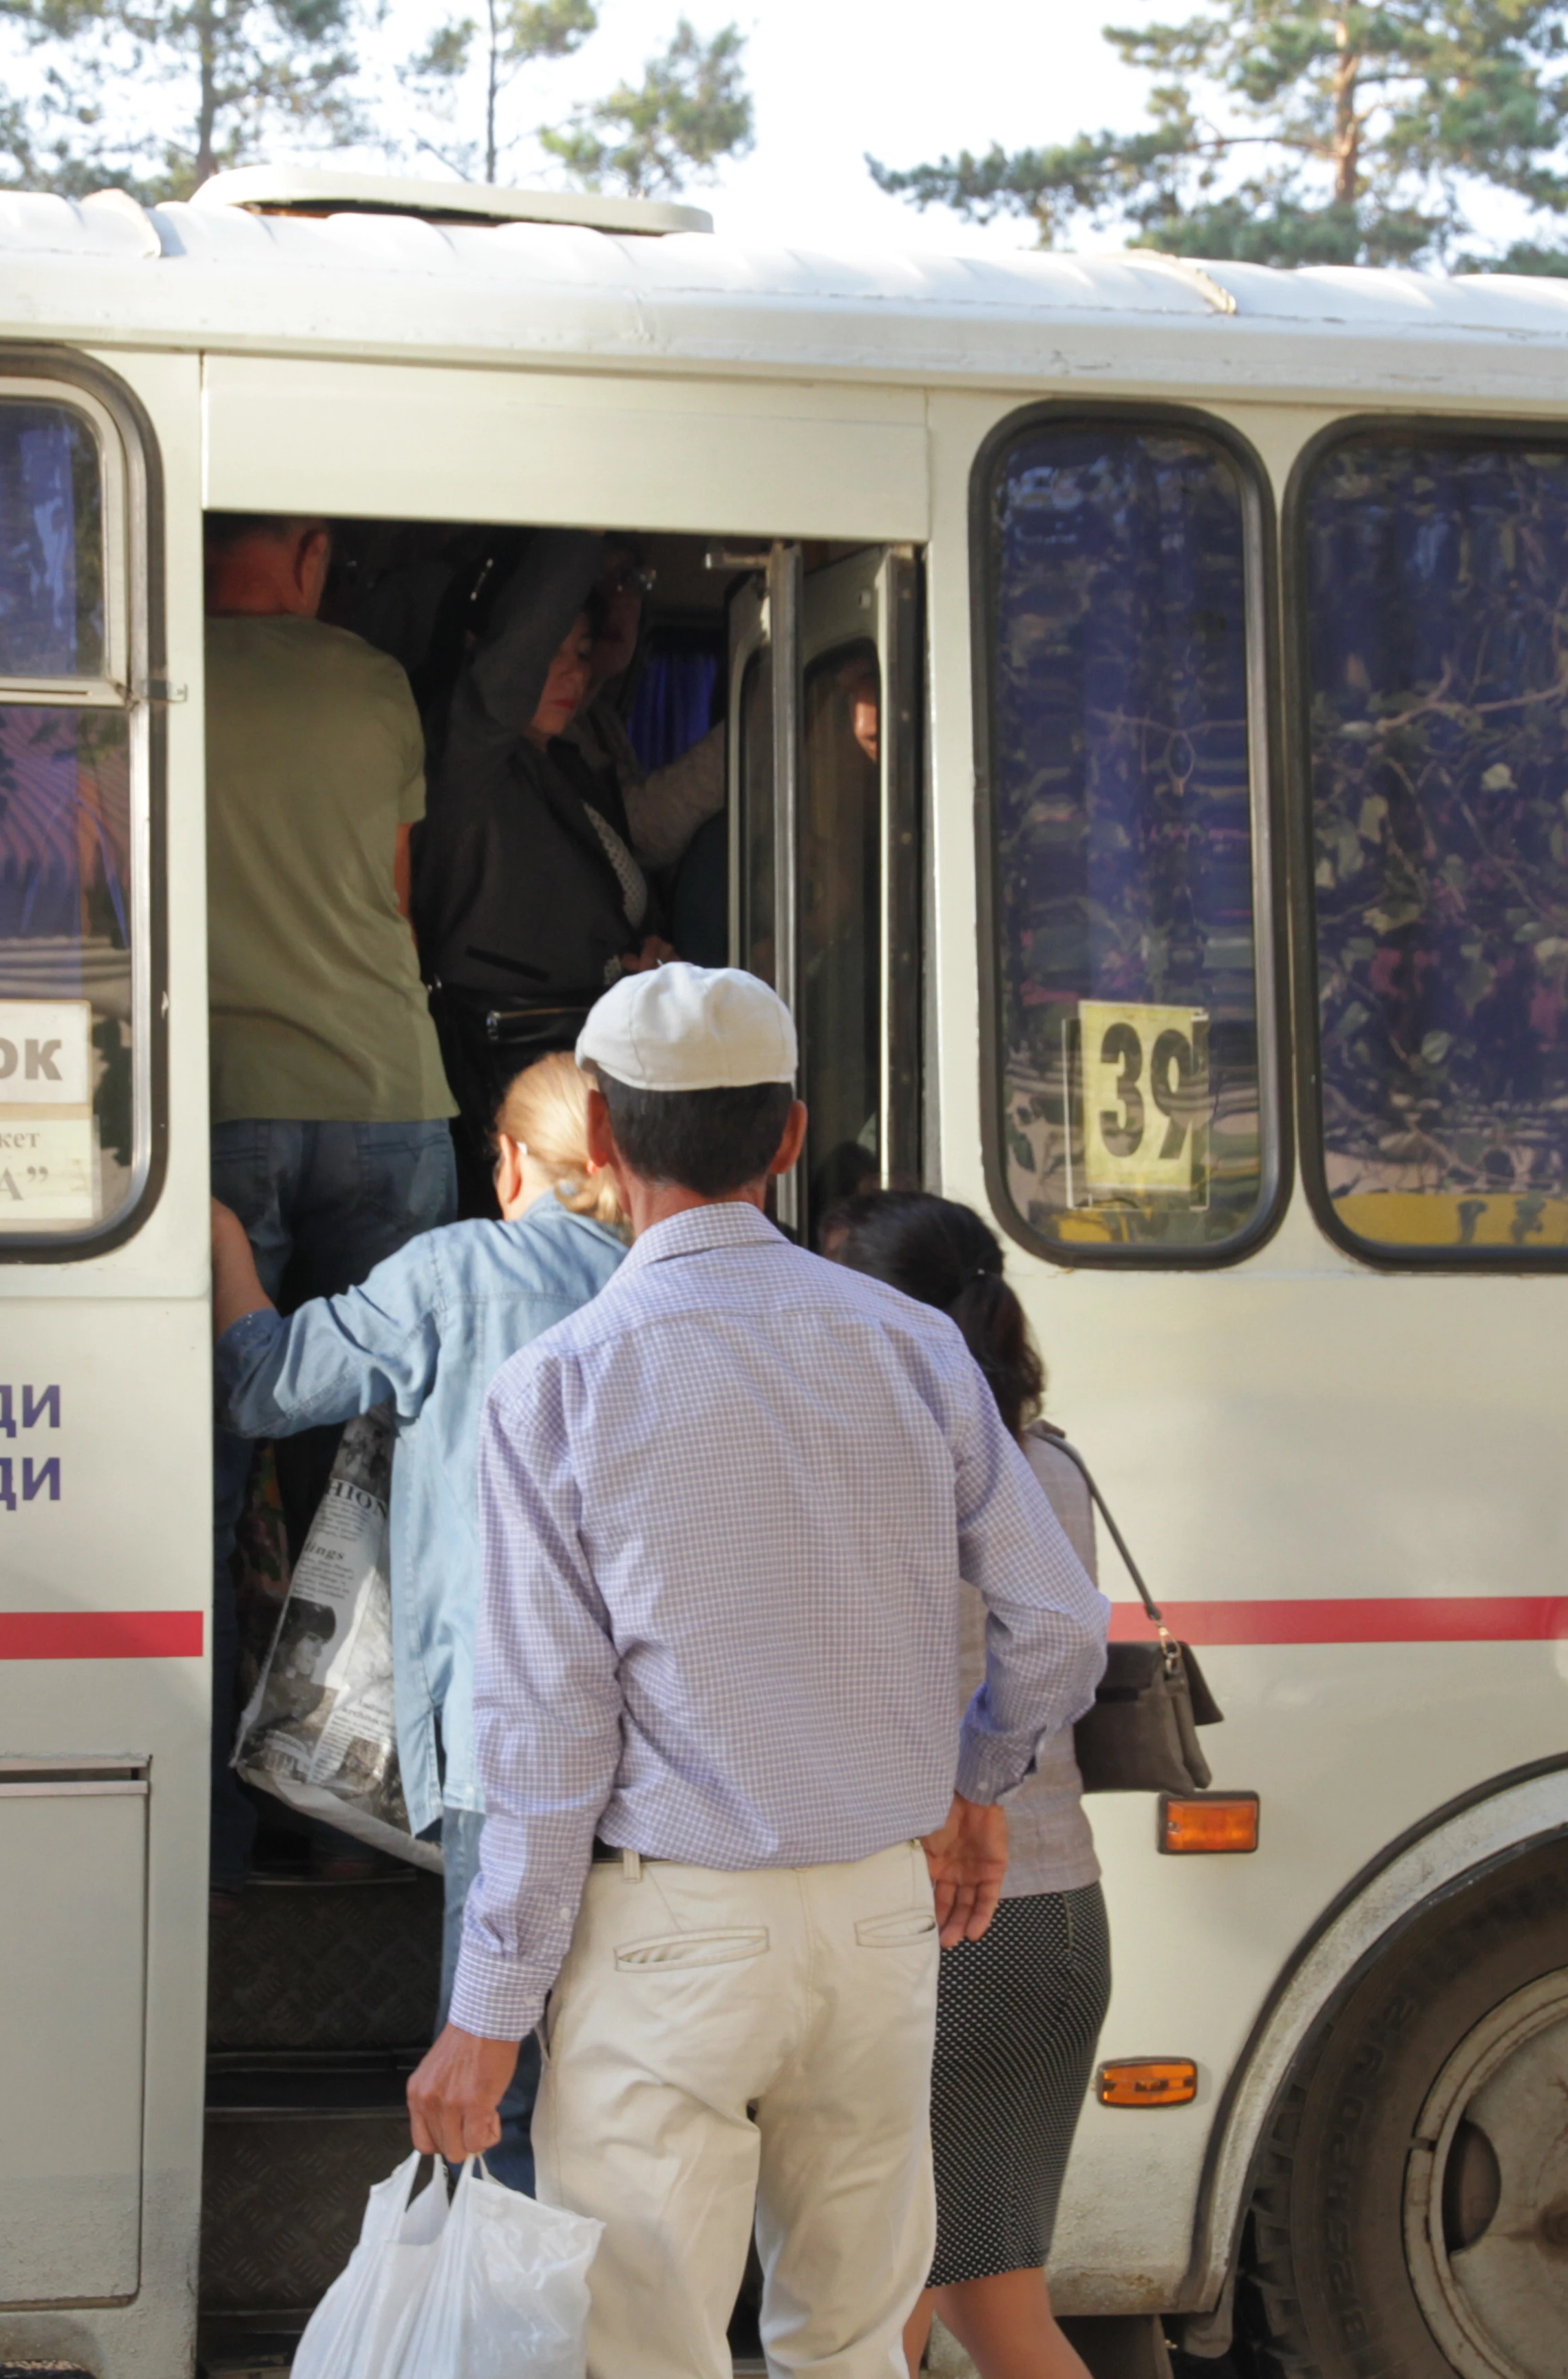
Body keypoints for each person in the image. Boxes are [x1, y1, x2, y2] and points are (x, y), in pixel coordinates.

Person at [407, 963, 1109, 2379]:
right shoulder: (913, 1345)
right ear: (791, 1139)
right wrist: (975, 1785)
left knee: (644, 2354)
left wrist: (487, 2012)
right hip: (875, 1926)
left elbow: (546, 1738)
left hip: (670, 1941)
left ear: (596, 1139)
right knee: (850, 2344)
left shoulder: (557, 1382)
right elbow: (1060, 1631)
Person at [206, 1053, 629, 2189]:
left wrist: (220, 1241)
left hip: (508, 1745)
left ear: (504, 1163)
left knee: (503, 2099)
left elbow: (266, 1383)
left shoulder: (451, 1277)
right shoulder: (678, 1287)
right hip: (678, 1763)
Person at [203, 511, 458, 1887]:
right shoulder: (372, 682)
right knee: (379, 1488)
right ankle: (370, 1833)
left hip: (222, 1110)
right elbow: (397, 900)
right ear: (308, 550)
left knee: (210, 1486)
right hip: (385, 1093)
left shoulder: (154, 669)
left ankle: (221, 1849)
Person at [825, 1192, 1114, 2379]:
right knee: (983, 2307)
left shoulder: (895, 1468)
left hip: (960, 1929)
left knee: (890, 2304)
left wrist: (965, 1788)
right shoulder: (1039, 1460)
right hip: (1056, 1924)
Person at [412, 531, 671, 1212]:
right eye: (546, 657)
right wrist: (584, 513)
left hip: (591, 1074)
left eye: (580, 655)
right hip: (516, 1086)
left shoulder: (568, 769)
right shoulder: (470, 761)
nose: (570, 675)